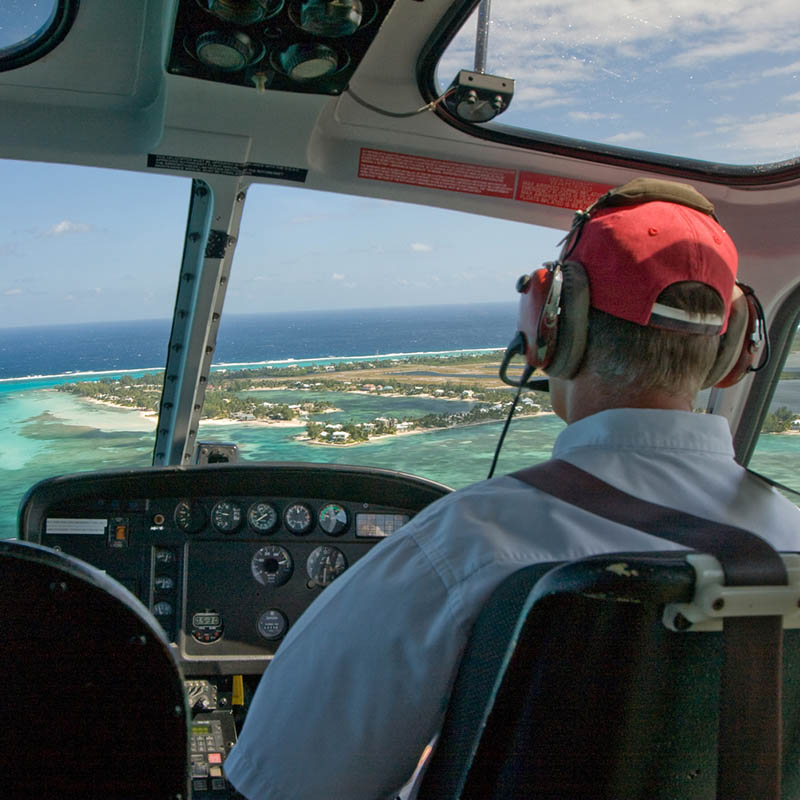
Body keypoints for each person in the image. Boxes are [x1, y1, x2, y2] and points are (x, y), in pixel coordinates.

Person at [224, 180, 800, 800]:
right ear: (736, 344)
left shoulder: (465, 545)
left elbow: (283, 780)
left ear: (553, 326)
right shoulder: (791, 537)